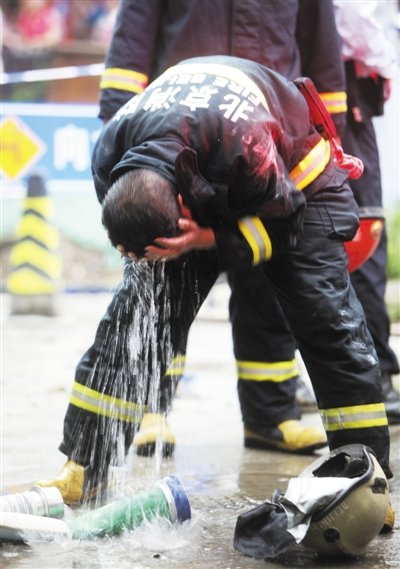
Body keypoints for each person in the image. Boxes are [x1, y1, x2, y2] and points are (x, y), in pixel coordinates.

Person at [37, 56, 393, 513]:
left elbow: (284, 224)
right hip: (203, 165)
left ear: (183, 210)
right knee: (131, 316)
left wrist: (208, 238)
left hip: (296, 190)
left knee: (327, 323)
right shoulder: (109, 157)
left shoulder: (251, 149)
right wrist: (150, 251)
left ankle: (367, 482)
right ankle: (85, 465)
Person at [95, 0, 348, 456]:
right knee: (160, 287)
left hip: (266, 142)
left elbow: (323, 51)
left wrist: (331, 138)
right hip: (179, 147)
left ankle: (272, 416)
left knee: (269, 290)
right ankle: (149, 409)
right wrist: (127, 128)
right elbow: (131, 42)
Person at [334, 0, 400, 424]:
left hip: (300, 78)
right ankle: (375, 378)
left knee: (299, 227)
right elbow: (357, 12)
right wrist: (383, 66)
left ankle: (323, 378)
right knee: (363, 228)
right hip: (342, 86)